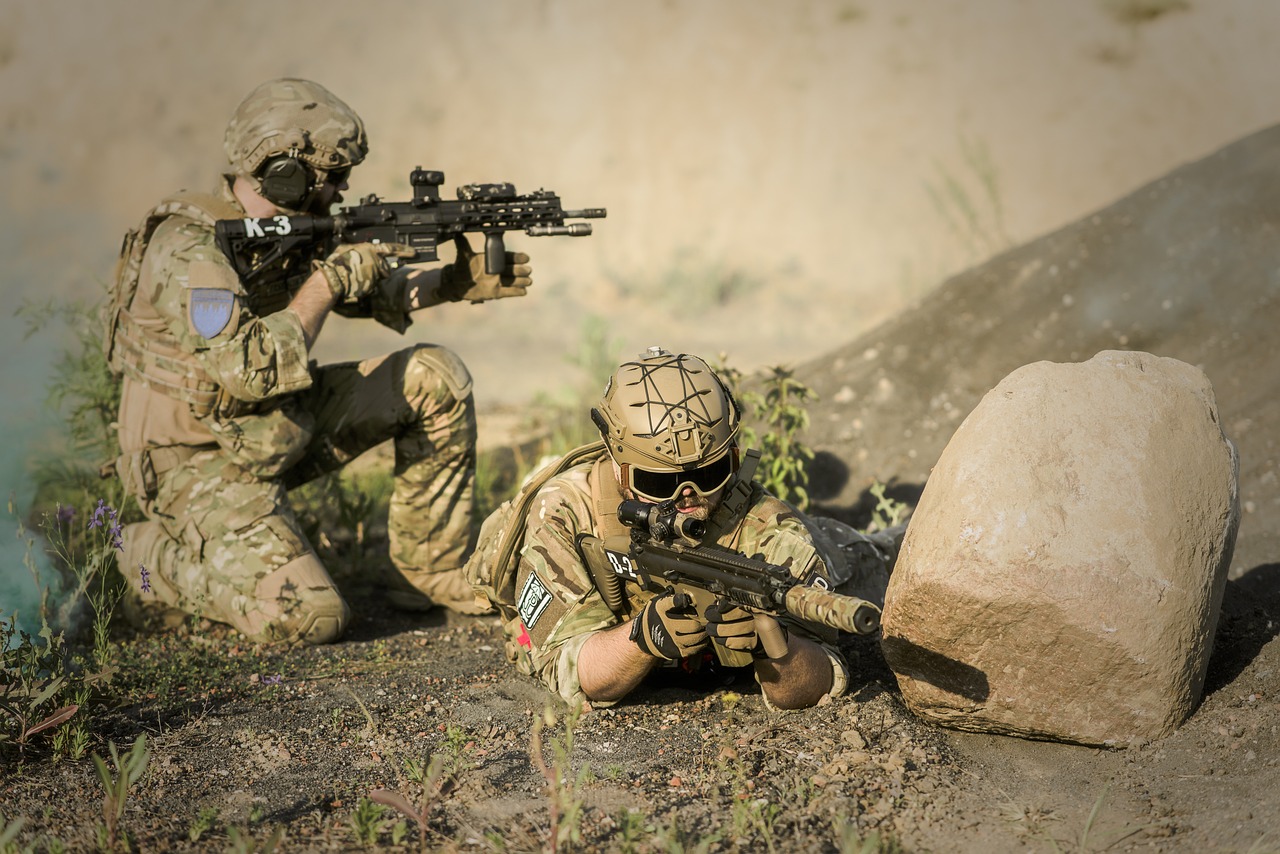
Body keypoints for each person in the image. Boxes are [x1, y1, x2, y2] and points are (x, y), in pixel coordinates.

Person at [106, 77, 530, 644]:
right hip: (190, 460)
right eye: (332, 176)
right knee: (308, 617)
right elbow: (250, 369)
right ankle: (140, 556)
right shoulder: (189, 250)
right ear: (287, 170)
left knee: (436, 378)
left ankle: (429, 571)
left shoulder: (286, 230)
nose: (343, 187)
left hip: (270, 427)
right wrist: (331, 279)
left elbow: (371, 293)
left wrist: (453, 282)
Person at [465, 347, 901, 710]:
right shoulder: (566, 512)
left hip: (839, 554)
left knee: (874, 556)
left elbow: (818, 680)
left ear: (733, 460)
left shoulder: (767, 525)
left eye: (709, 473)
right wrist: (642, 638)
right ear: (619, 465)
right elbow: (574, 672)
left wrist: (776, 643)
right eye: (658, 482)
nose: (687, 496)